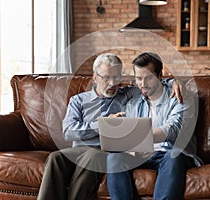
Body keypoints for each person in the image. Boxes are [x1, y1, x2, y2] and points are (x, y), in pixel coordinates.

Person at [37, 53, 182, 200]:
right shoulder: (78, 100)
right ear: (95, 77)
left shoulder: (127, 95)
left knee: (94, 156)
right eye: (106, 78)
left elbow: (153, 83)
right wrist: (103, 124)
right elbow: (68, 132)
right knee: (55, 157)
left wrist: (174, 82)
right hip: (80, 149)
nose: (113, 83)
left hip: (104, 150)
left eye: (116, 77)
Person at [106, 52, 203, 200]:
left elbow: (173, 129)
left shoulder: (180, 96)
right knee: (114, 158)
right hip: (142, 155)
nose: (143, 84)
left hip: (171, 153)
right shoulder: (133, 103)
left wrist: (140, 138)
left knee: (173, 155)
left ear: (159, 76)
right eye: (139, 78)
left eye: (149, 78)